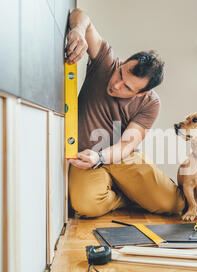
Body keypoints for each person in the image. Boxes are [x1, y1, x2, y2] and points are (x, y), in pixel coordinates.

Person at [65, 8, 185, 218]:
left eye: (128, 88)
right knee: (86, 206)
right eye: (121, 73)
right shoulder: (105, 63)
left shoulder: (150, 103)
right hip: (84, 156)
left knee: (173, 204)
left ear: (141, 94)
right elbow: (80, 15)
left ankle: (131, 190)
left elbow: (126, 145)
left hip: (120, 156)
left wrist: (101, 156)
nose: (116, 85)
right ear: (123, 63)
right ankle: (125, 196)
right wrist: (78, 29)